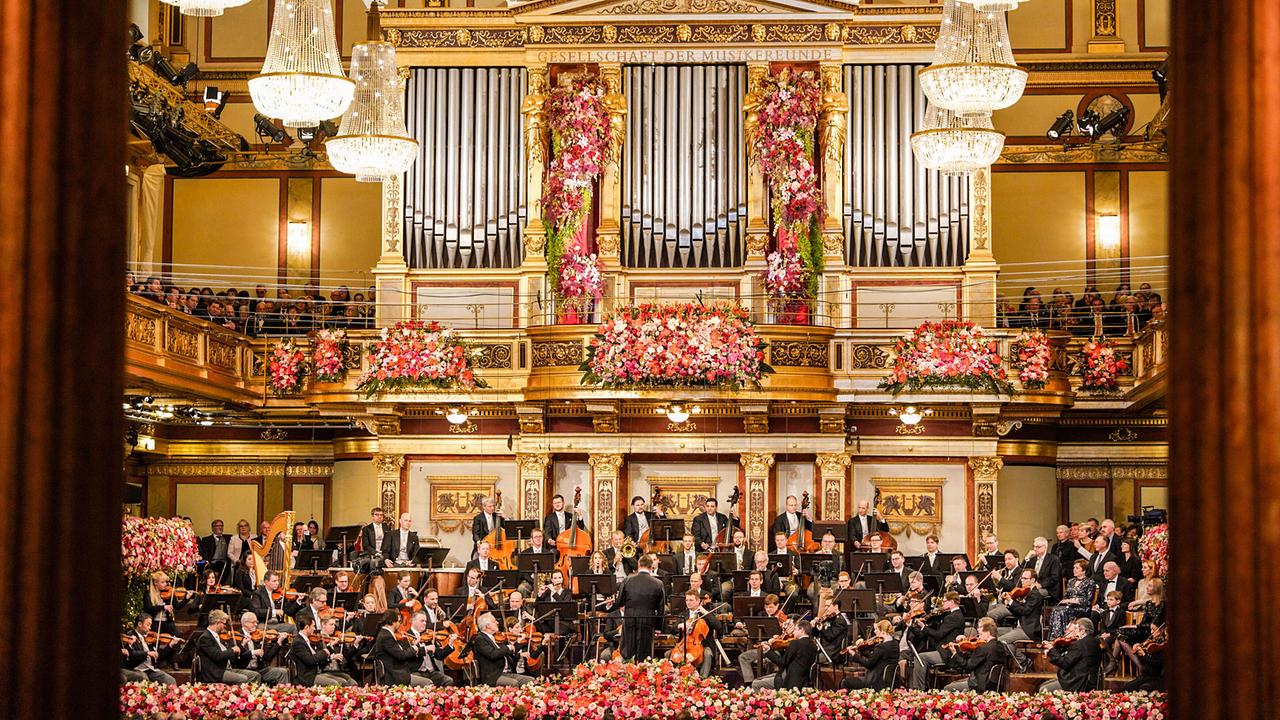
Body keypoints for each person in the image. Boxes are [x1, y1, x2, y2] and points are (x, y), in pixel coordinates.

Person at [909, 592, 966, 689]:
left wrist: (924, 627)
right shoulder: (951, 615)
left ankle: (918, 689)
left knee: (921, 657)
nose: (942, 604)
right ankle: (924, 686)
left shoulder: (953, 617)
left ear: (951, 602)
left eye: (944, 601)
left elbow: (939, 635)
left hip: (947, 653)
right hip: (943, 649)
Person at [615, 553, 666, 661]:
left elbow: (620, 602)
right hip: (648, 619)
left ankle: (627, 675)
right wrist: (658, 628)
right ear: (651, 566)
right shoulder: (658, 583)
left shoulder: (627, 580)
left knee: (628, 650)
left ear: (638, 565)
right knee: (644, 653)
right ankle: (642, 675)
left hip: (630, 618)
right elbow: (661, 608)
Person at [941, 618, 1008, 692]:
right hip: (992, 684)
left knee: (947, 688)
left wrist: (955, 653)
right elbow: (979, 658)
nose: (978, 630)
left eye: (979, 628)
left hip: (979, 684)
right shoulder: (1001, 646)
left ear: (988, 632)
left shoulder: (983, 648)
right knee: (955, 683)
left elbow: (967, 666)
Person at [195, 610, 260, 684]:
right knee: (243, 678)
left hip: (226, 669)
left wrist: (242, 644)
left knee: (255, 675)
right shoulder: (205, 638)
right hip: (216, 673)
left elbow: (230, 653)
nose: (225, 626)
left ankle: (253, 695)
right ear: (218, 622)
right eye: (224, 623)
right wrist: (232, 650)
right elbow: (217, 656)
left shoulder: (217, 636)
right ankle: (240, 694)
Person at [1039, 618, 1103, 692]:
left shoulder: (1079, 645)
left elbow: (1064, 663)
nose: (1074, 632)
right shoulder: (1094, 642)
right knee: (1044, 685)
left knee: (1043, 689)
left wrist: (1051, 649)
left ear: (1082, 631)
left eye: (1076, 629)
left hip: (1078, 682)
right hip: (1089, 681)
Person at [751, 619, 817, 690]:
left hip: (790, 680)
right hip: (803, 681)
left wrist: (768, 651)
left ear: (802, 630)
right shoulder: (813, 646)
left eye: (795, 629)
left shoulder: (795, 643)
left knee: (755, 683)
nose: (793, 632)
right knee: (760, 679)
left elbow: (782, 662)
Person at [292, 614, 357, 686]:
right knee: (336, 683)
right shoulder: (298, 642)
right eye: (313, 626)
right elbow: (310, 660)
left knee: (350, 681)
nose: (315, 629)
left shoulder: (308, 639)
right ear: (307, 627)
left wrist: (328, 649)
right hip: (308, 676)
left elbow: (316, 658)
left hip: (317, 672)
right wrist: (325, 651)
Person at [669, 590, 722, 677]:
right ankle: (677, 679)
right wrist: (680, 625)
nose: (688, 603)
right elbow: (672, 630)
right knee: (668, 654)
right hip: (684, 645)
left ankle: (703, 679)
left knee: (707, 653)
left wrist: (705, 613)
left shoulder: (705, 614)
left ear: (698, 601)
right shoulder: (683, 614)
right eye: (687, 600)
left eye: (691, 600)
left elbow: (718, 626)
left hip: (703, 645)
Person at [472, 612, 534, 686]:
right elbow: (492, 654)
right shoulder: (480, 638)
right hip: (493, 676)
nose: (497, 622)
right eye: (494, 621)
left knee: (530, 680)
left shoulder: (493, 637)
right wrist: (508, 647)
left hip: (504, 673)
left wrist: (516, 645)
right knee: (513, 683)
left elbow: (510, 655)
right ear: (488, 626)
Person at [233, 611, 290, 685]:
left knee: (283, 672)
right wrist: (252, 652)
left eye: (256, 622)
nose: (256, 624)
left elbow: (268, 657)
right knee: (256, 675)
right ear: (245, 623)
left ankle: (283, 694)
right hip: (244, 670)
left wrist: (278, 642)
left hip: (259, 669)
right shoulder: (237, 637)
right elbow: (237, 659)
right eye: (253, 622)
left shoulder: (259, 636)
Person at [840, 619, 899, 690]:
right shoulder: (895, 644)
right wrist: (861, 649)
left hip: (875, 682)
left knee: (845, 682)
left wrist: (854, 655)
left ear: (882, 632)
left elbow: (868, 664)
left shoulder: (881, 647)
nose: (875, 632)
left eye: (877, 630)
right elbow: (874, 657)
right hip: (888, 682)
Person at [121, 614, 178, 685]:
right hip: (136, 669)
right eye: (147, 625)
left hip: (150, 669)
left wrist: (170, 645)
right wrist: (147, 653)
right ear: (139, 624)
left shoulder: (148, 639)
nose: (150, 628)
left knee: (170, 680)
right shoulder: (130, 636)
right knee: (144, 679)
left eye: (150, 625)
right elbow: (131, 654)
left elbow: (159, 657)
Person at [1049, 560, 1097, 638]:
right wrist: (1066, 601)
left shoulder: (1089, 582)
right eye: (1074, 567)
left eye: (1077, 568)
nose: (1074, 569)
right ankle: (1055, 637)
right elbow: (1066, 596)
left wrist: (1075, 601)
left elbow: (1088, 600)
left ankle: (1064, 636)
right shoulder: (1071, 581)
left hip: (1082, 607)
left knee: (1062, 611)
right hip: (1069, 605)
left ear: (1084, 570)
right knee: (1055, 609)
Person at [1023, 537, 1063, 602]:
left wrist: (1040, 585)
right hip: (1032, 586)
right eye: (1034, 546)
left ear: (1045, 548)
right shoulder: (1032, 559)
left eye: (1038, 547)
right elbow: (1022, 571)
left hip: (1048, 588)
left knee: (1033, 593)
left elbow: (1054, 578)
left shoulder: (1054, 559)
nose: (1035, 549)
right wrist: (1027, 557)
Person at [360, 506, 392, 572]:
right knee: (374, 562)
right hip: (372, 554)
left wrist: (384, 554)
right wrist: (375, 552)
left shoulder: (387, 528)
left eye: (381, 515)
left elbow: (390, 543)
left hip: (384, 553)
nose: (379, 516)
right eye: (377, 515)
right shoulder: (366, 529)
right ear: (372, 516)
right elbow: (366, 545)